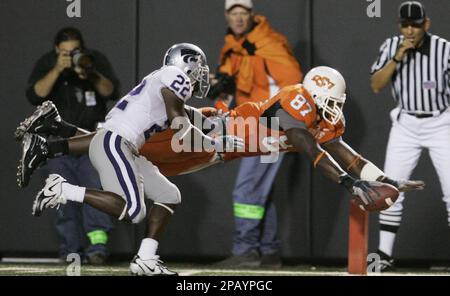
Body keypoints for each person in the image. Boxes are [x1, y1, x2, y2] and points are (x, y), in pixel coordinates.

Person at [18, 66, 425, 275]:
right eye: (330, 100)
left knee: (143, 165)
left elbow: (343, 150)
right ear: (314, 93)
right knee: (126, 140)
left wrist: (382, 179)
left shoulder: (323, 118)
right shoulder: (297, 98)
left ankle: (56, 135)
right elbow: (301, 141)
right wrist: (350, 183)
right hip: (206, 134)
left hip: (213, 151)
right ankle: (53, 135)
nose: (333, 109)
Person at [24, 43, 244, 276]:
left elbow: (190, 115)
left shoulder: (164, 82)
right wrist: (217, 144)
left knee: (169, 195)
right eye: (199, 68)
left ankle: (145, 259)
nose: (201, 75)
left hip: (119, 143)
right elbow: (182, 128)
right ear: (186, 65)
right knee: (132, 210)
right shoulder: (175, 77)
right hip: (117, 143)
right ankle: (62, 189)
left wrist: (218, 125)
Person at [208, 0, 303, 267]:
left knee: (247, 189)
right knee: (261, 191)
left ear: (252, 15)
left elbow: (294, 82)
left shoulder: (268, 43)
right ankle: (269, 251)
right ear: (227, 16)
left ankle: (246, 250)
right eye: (233, 13)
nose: (238, 18)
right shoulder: (233, 47)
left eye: (243, 13)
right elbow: (227, 87)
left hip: (272, 125)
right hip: (255, 124)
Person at [23, 27, 119, 264]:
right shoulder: (48, 63)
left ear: (82, 48)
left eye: (75, 51)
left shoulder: (92, 62)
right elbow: (35, 95)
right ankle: (70, 251)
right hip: (57, 146)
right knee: (62, 196)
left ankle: (97, 247)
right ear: (57, 50)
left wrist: (90, 73)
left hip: (90, 143)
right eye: (65, 52)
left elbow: (112, 91)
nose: (71, 55)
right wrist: (57, 69)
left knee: (95, 191)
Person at [370, 1, 450, 271]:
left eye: (415, 25)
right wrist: (397, 57)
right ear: (399, 25)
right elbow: (376, 85)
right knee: (391, 187)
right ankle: (384, 254)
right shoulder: (391, 46)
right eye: (405, 24)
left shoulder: (444, 49)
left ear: (426, 24)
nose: (410, 30)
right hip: (406, 124)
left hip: (440, 122)